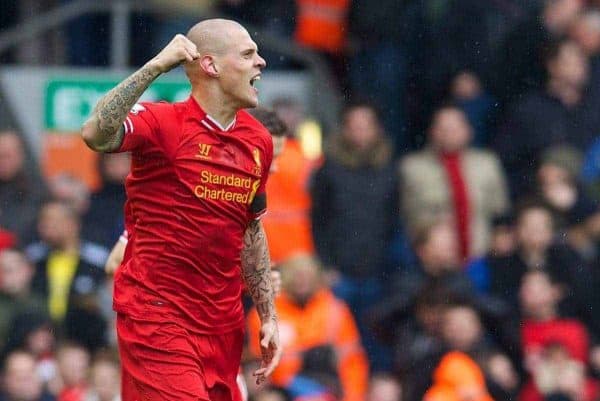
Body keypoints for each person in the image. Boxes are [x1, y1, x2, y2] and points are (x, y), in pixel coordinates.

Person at [80, 18, 281, 401]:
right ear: (210, 65)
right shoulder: (163, 123)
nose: (262, 62)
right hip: (158, 316)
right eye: (248, 53)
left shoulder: (258, 140)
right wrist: (155, 66)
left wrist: (268, 314)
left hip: (222, 324)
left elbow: (250, 230)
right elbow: (95, 133)